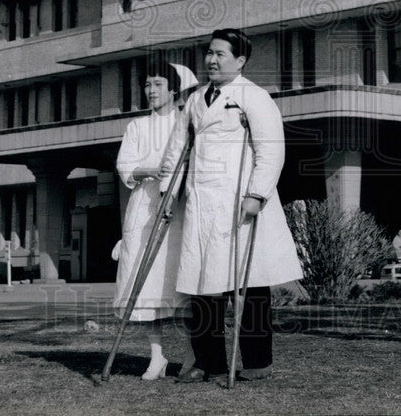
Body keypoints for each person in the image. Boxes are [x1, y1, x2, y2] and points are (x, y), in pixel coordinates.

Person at [159, 28, 302, 384]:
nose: (211, 59)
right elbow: (177, 150)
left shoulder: (253, 96)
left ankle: (256, 363)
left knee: (248, 284)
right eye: (209, 52)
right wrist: (168, 191)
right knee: (202, 283)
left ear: (239, 60)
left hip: (238, 201)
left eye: (220, 54)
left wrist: (256, 195)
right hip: (200, 202)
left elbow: (272, 150)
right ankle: (209, 363)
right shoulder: (194, 100)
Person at [113, 61, 199, 380]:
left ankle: (192, 356)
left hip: (178, 208)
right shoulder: (137, 127)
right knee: (146, 283)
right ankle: (157, 356)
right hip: (144, 207)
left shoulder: (187, 122)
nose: (151, 91)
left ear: (173, 89)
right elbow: (125, 167)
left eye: (158, 84)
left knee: (181, 282)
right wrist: (151, 170)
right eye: (147, 85)